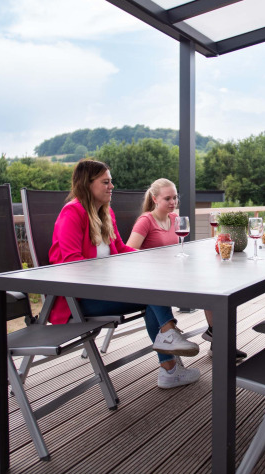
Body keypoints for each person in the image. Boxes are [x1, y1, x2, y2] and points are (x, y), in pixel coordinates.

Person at [48, 159, 201, 389]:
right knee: (153, 292)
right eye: (105, 182)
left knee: (154, 293)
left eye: (111, 182)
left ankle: (170, 370)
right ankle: (169, 339)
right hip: (78, 299)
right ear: (87, 184)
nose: (111, 186)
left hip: (106, 291)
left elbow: (121, 249)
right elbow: (71, 264)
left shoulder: (105, 212)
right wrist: (115, 275)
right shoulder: (72, 213)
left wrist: (154, 259)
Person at [126, 178, 248, 360]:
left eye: (175, 198)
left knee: (213, 283)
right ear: (155, 199)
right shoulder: (146, 221)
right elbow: (129, 251)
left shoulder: (175, 219)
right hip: (153, 280)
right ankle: (205, 341)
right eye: (167, 198)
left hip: (173, 274)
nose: (173, 202)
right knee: (157, 297)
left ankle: (217, 338)